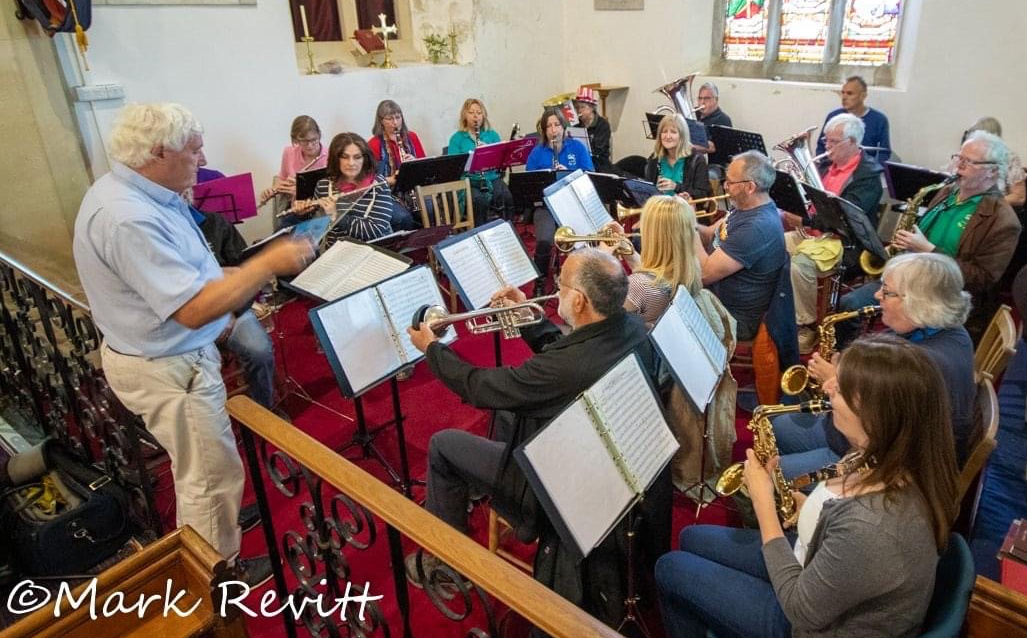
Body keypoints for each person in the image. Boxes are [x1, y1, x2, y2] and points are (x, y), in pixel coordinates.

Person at [72, 103, 314, 584]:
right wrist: (266, 264)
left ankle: (213, 528)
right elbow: (190, 307)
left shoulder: (147, 194)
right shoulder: (127, 218)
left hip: (172, 355)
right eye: (194, 150)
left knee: (203, 469)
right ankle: (217, 577)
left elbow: (192, 277)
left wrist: (233, 278)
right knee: (209, 478)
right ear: (158, 151)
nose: (202, 161)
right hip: (168, 366)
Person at [405, 248, 667, 627]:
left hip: (556, 487)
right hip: (605, 457)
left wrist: (433, 349)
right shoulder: (629, 327)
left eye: (561, 286)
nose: (555, 291)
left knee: (444, 445)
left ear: (579, 300)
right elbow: (561, 355)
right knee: (512, 412)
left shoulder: (569, 366)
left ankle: (445, 564)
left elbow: (482, 387)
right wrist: (528, 314)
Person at [656, 334, 959, 638]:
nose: (827, 387)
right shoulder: (890, 457)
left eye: (840, 389)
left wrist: (763, 505)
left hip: (806, 624)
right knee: (691, 538)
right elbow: (846, 539)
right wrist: (808, 509)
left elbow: (799, 610)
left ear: (874, 417)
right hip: (818, 568)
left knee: (670, 567)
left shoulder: (873, 525)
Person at [775, 253, 976, 482]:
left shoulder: (919, 365)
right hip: (883, 440)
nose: (876, 295)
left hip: (889, 468)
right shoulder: (949, 330)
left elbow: (868, 436)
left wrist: (839, 383)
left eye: (887, 292)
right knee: (781, 426)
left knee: (774, 474)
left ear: (918, 302)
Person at [601, 196, 739, 497]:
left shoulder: (638, 286)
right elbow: (654, 279)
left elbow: (605, 325)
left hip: (640, 369)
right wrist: (628, 252)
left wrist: (603, 263)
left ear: (653, 234)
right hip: (671, 359)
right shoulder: (687, 269)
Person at [836, 131, 1021, 344]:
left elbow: (983, 279)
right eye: (958, 158)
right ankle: (846, 360)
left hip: (940, 293)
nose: (958, 166)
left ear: (992, 171)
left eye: (968, 162)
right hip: (907, 278)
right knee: (848, 304)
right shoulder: (947, 191)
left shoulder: (1003, 221)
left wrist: (928, 250)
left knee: (876, 328)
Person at [785, 113, 883, 352]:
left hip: (844, 242)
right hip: (816, 232)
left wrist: (806, 219)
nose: (826, 147)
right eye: (826, 140)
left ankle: (806, 325)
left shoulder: (868, 176)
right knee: (772, 243)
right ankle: (781, 306)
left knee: (801, 264)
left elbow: (844, 219)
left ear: (852, 142)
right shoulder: (828, 164)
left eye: (833, 142)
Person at [696, 150, 787, 342]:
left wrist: (687, 225)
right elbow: (709, 235)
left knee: (659, 303)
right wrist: (687, 222)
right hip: (714, 297)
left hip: (733, 318)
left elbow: (704, 274)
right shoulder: (742, 207)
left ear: (750, 187)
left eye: (730, 182)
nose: (725, 186)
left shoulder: (757, 227)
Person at [525, 106, 595, 287]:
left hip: (572, 203)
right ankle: (540, 283)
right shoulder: (537, 152)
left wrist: (569, 174)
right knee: (543, 241)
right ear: (544, 130)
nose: (553, 130)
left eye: (557, 125)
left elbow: (590, 175)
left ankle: (582, 279)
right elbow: (529, 183)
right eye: (549, 126)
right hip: (545, 205)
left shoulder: (577, 147)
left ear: (564, 127)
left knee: (580, 240)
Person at [309, 132, 397, 247]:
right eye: (345, 157)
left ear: (364, 159)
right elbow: (316, 233)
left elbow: (375, 230)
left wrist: (336, 216)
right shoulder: (324, 186)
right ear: (336, 159)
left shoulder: (378, 184)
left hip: (374, 251)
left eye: (357, 157)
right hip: (337, 253)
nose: (351, 163)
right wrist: (304, 214)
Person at [446, 98, 515, 224]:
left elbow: (501, 161)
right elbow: (453, 166)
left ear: (483, 115)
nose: (475, 116)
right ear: (464, 116)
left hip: (491, 177)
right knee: (478, 200)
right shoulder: (457, 138)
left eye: (479, 112)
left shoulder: (492, 135)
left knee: (506, 196)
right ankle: (481, 234)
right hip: (469, 181)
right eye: (471, 112)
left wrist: (488, 152)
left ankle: (507, 230)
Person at [261, 115, 328, 230]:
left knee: (302, 244)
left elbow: (332, 192)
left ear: (319, 135)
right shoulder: (289, 152)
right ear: (295, 139)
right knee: (276, 242)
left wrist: (300, 191)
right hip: (297, 212)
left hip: (319, 214)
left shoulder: (330, 155)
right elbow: (281, 177)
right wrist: (274, 189)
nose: (310, 145)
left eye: (314, 139)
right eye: (304, 141)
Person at [366, 100, 423, 230]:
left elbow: (426, 166)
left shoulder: (412, 137)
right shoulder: (373, 144)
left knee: (430, 209)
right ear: (380, 121)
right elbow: (371, 180)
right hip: (389, 193)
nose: (395, 122)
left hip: (414, 189)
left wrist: (414, 163)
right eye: (389, 119)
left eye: (398, 117)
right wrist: (392, 179)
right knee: (403, 218)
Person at [814, 76, 891, 163]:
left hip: (864, 170)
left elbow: (884, 152)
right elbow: (821, 146)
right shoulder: (834, 116)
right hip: (834, 168)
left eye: (850, 93)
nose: (844, 97)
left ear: (863, 96)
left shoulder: (879, 120)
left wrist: (871, 169)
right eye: (843, 93)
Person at [644, 114, 711, 201]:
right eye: (664, 131)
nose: (668, 136)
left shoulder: (697, 159)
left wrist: (676, 187)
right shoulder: (654, 159)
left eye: (673, 132)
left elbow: (703, 194)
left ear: (682, 136)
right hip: (659, 210)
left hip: (685, 211)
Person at [572, 86, 614, 171]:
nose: (579, 110)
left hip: (600, 165)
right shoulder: (576, 125)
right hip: (581, 162)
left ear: (591, 107)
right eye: (577, 107)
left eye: (582, 107)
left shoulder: (602, 124)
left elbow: (598, 151)